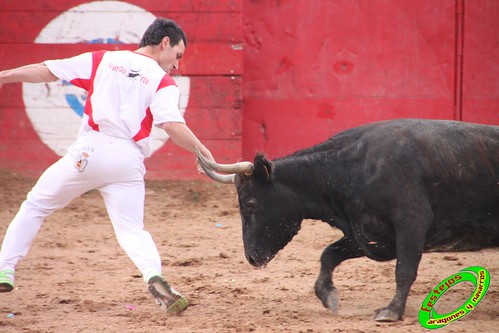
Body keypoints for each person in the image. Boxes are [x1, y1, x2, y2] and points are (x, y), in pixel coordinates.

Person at [0, 17, 215, 315]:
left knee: (36, 205)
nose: (177, 65)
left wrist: (4, 76)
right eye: (178, 55)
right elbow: (171, 125)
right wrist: (204, 151)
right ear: (165, 42)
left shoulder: (103, 60)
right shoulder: (163, 82)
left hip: (91, 150)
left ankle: (4, 269)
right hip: (128, 161)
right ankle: (154, 275)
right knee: (132, 230)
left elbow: (47, 70)